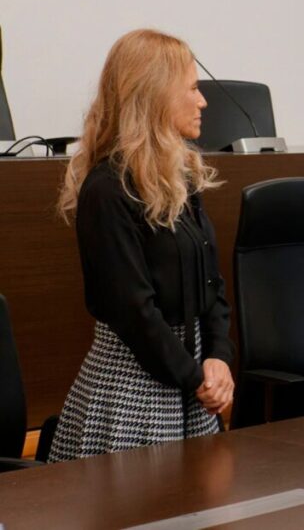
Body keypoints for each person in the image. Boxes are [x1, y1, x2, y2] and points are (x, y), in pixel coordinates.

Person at [49, 29, 234, 461]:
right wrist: (198, 378)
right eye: (192, 89)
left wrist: (220, 358)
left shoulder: (181, 177)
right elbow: (134, 312)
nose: (203, 101)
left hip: (191, 383)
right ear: (156, 96)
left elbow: (213, 284)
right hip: (134, 392)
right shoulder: (108, 190)